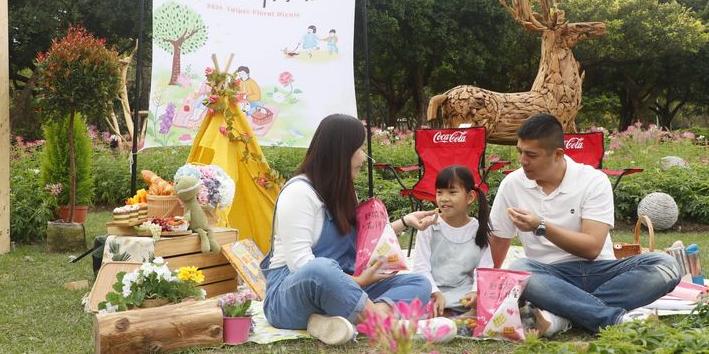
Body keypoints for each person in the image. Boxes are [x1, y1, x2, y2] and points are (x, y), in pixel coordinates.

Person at [260, 114, 455, 345]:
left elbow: (364, 242)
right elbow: (301, 264)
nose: (364, 156)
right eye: (360, 148)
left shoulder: (343, 190)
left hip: (344, 288)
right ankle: (387, 327)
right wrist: (359, 281)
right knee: (320, 269)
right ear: (340, 153)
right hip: (291, 295)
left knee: (418, 283)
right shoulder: (299, 193)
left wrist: (405, 221)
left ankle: (332, 323)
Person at [489, 113, 681, 336]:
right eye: (519, 152)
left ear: (558, 154)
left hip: (601, 270)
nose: (522, 160)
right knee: (520, 270)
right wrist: (488, 288)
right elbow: (499, 238)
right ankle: (614, 319)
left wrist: (540, 225)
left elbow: (591, 249)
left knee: (666, 264)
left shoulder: (592, 181)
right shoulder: (512, 184)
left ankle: (560, 317)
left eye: (531, 155)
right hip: (548, 276)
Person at [413, 165, 493, 316]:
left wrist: (476, 292)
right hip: (431, 288)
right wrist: (435, 293)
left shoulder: (478, 228)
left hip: (463, 291)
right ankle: (451, 313)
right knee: (410, 294)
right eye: (439, 192)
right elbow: (420, 267)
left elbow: (485, 268)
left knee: (492, 297)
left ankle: (449, 313)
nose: (444, 198)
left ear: (470, 197)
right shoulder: (428, 225)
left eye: (452, 192)